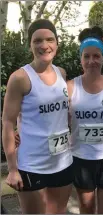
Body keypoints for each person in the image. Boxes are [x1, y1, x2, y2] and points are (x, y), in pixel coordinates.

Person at [2, 19, 73, 214]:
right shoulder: (20, 78)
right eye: (37, 41)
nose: (44, 45)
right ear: (30, 44)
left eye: (50, 39)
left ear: (57, 43)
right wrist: (13, 168)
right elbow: (7, 121)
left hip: (63, 161)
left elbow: (62, 114)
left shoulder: (61, 73)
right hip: (32, 165)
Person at [67, 26, 103, 214]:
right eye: (86, 56)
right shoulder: (70, 87)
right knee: (87, 210)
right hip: (81, 158)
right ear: (81, 59)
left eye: (96, 56)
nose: (91, 61)